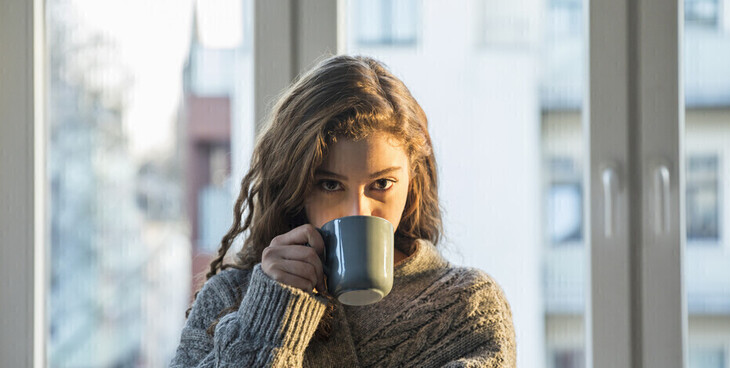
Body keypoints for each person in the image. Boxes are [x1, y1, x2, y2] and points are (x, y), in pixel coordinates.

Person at [170, 55, 516, 367]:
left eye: (381, 184)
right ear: (296, 186)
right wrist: (269, 316)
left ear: (413, 179)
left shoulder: (468, 306)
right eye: (330, 185)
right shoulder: (231, 297)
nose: (359, 211)